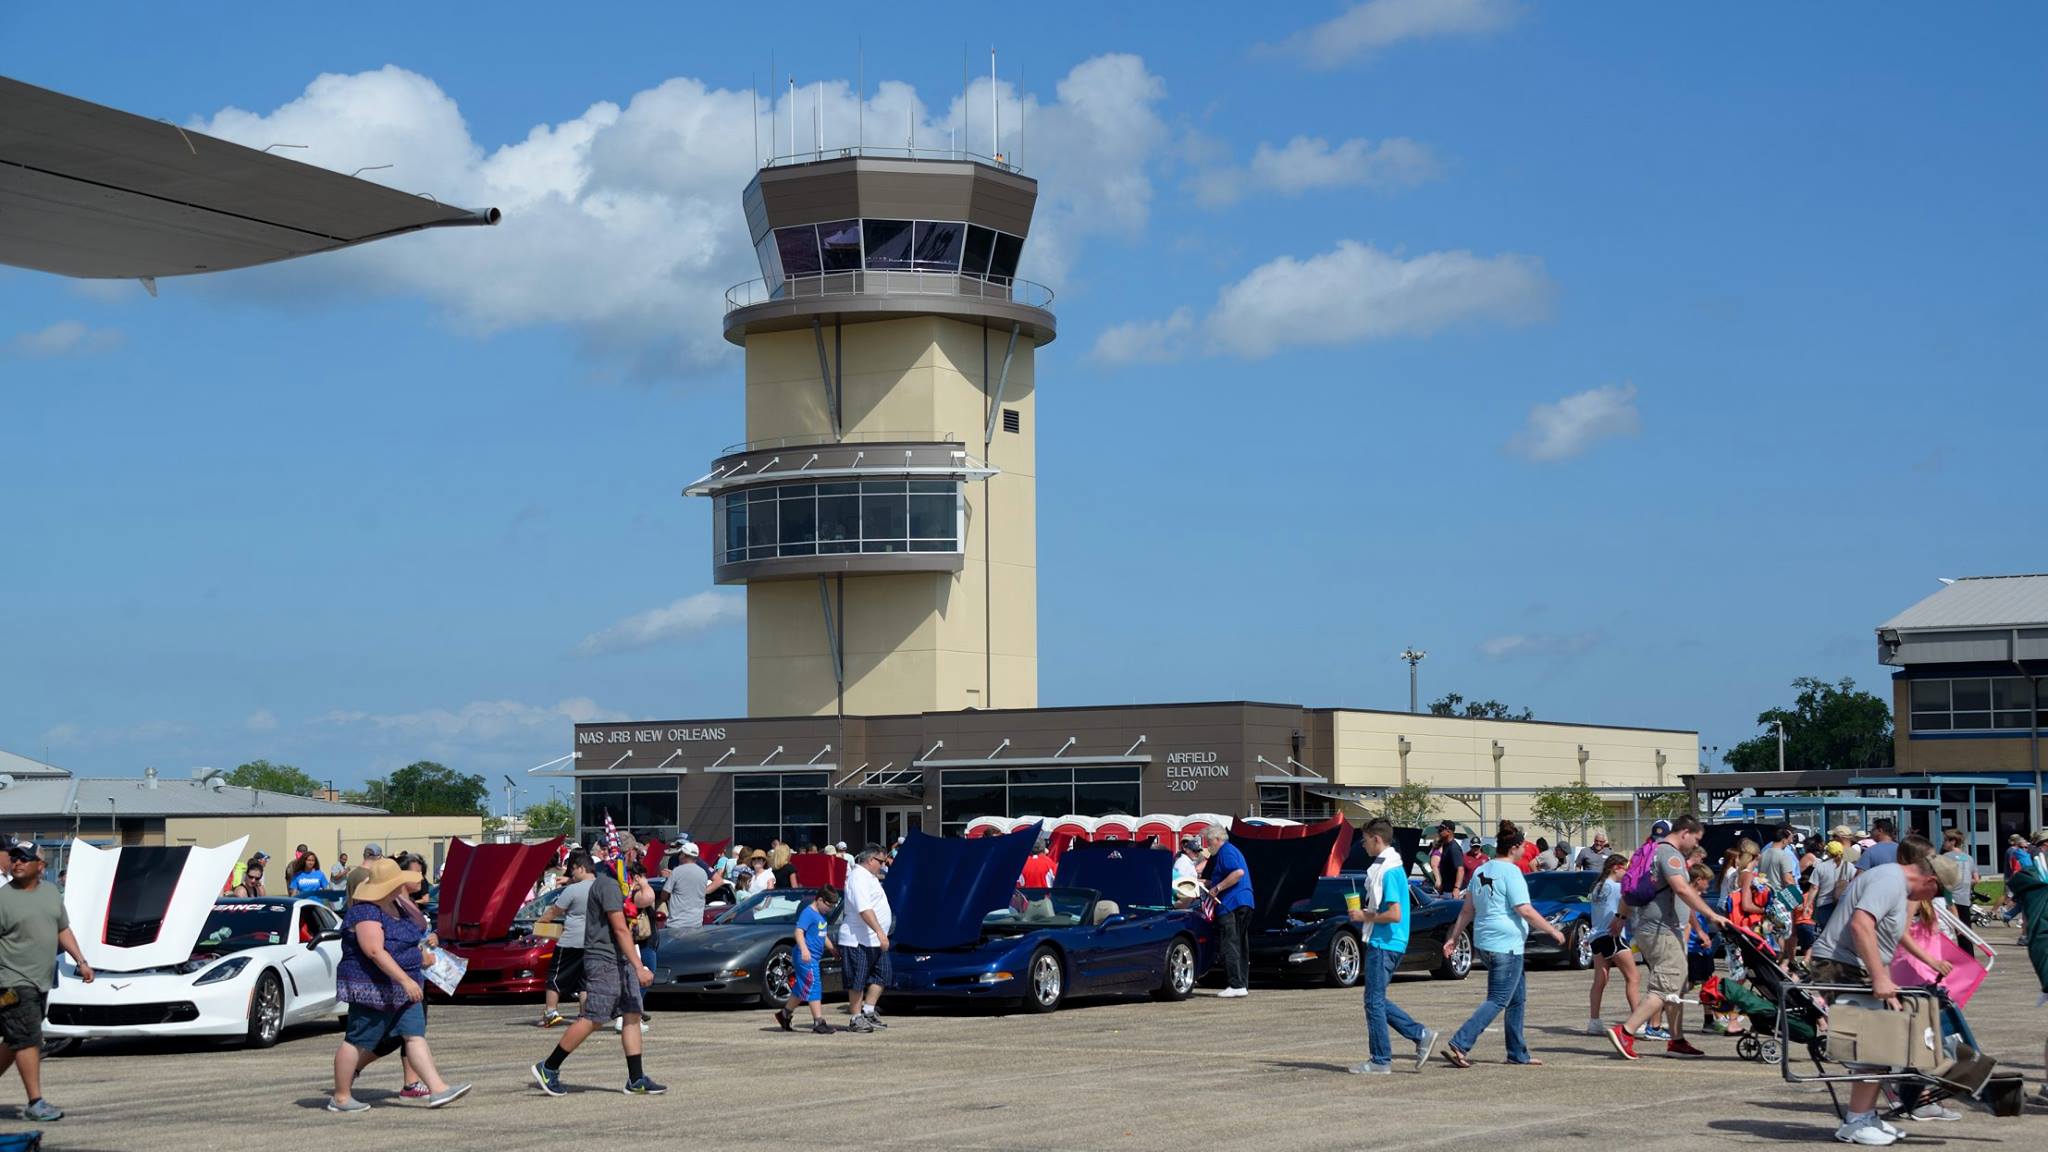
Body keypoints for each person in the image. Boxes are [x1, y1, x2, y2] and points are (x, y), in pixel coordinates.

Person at [1805, 858, 1947, 1146]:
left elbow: (1882, 936)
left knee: (1883, 1043)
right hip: (1840, 966)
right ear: (1931, 882)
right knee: (1872, 1046)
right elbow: (1861, 926)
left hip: (1850, 965)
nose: (1930, 900)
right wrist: (1879, 977)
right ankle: (1856, 1121)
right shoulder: (1890, 881)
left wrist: (1885, 978)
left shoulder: (1894, 882)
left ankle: (1865, 1115)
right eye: (1936, 894)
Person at [327, 858, 470, 1112]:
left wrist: (421, 957)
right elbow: (374, 951)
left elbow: (408, 940)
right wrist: (405, 979)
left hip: (405, 986)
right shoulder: (365, 911)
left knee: (414, 1035)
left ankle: (438, 1089)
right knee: (357, 1040)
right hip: (373, 988)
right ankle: (341, 1097)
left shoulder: (398, 906)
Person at [531, 843, 664, 1097]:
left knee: (632, 1013)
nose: (637, 857)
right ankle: (549, 1067)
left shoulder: (617, 884)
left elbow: (644, 902)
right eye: (633, 853)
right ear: (621, 855)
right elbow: (620, 929)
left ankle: (636, 1079)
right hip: (605, 960)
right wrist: (639, 967)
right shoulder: (607, 885)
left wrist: (640, 885)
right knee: (594, 1017)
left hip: (620, 958)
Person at [1605, 814, 1731, 1061]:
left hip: (1650, 928)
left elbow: (1631, 887)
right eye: (1696, 839)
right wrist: (1712, 915)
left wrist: (1621, 916)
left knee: (1676, 984)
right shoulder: (1670, 855)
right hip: (1662, 930)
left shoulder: (1649, 851)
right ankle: (1626, 1031)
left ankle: (1677, 1040)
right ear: (1685, 833)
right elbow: (1682, 889)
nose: (1695, 845)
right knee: (1665, 987)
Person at [1441, 822, 1564, 1067]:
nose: (1525, 850)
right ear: (1514, 848)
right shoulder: (1511, 872)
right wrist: (1552, 930)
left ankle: (1517, 1053)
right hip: (1505, 945)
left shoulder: (1481, 870)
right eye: (1523, 846)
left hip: (1486, 942)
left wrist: (1453, 937)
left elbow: (1467, 910)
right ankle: (1461, 1042)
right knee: (1498, 998)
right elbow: (1524, 909)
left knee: (1517, 998)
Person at [0, 842, 93, 1121]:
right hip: (12, 981)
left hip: (41, 980)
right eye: (14, 858)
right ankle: (35, 1102)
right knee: (29, 1038)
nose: (17, 862)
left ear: (40, 866)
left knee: (17, 1039)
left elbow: (61, 929)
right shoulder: (3, 899)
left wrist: (81, 961)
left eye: (24, 858)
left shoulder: (51, 893)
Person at [1347, 819, 1437, 1075]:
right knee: (1375, 1000)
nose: (1363, 845)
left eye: (1365, 840)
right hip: (1389, 942)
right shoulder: (1391, 867)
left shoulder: (1388, 871)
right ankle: (1419, 1035)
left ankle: (1382, 1058)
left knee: (1373, 1002)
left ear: (1377, 839)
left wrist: (1365, 916)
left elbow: (1394, 914)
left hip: (1385, 942)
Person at [391, 852, 443, 1099]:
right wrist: (419, 954)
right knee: (381, 1038)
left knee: (413, 1033)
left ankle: (412, 1084)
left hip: (417, 977)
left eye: (422, 872)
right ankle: (350, 1070)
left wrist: (433, 937)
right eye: (416, 872)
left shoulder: (412, 904)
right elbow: (395, 943)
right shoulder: (394, 905)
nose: (421, 877)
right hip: (401, 979)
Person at [538, 851, 596, 1028]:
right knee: (585, 982)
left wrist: (541, 923)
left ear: (582, 868)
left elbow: (554, 911)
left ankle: (551, 1012)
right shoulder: (602, 887)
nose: (572, 873)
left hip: (570, 940)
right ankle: (584, 1015)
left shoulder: (573, 890)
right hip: (593, 941)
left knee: (555, 977)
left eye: (574, 869)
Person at [839, 847, 894, 1033]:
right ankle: (855, 1018)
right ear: (870, 860)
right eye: (881, 862)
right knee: (857, 980)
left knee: (883, 974)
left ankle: (868, 1010)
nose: (883, 865)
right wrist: (880, 932)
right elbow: (864, 909)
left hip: (874, 940)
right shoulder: (858, 877)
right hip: (858, 939)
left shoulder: (870, 877)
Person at [1586, 852, 1640, 1034]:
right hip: (1612, 935)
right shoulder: (1617, 887)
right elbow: (1631, 903)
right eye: (1626, 869)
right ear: (1616, 868)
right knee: (1633, 977)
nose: (1627, 873)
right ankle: (1638, 1021)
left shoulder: (1597, 887)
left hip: (1596, 937)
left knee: (1600, 980)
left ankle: (1594, 1022)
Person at [775, 886, 841, 1035]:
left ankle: (784, 1014)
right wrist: (804, 949)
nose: (830, 909)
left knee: (803, 987)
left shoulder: (821, 915)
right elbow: (798, 932)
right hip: (806, 956)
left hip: (814, 957)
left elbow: (822, 934)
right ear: (820, 900)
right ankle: (819, 1022)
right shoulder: (808, 913)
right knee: (813, 985)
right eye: (829, 905)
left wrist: (832, 948)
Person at [1202, 825, 1254, 998]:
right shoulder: (1232, 851)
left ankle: (1235, 984)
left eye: (1209, 841)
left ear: (1218, 839)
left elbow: (1238, 873)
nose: (1208, 845)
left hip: (1231, 904)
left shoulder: (1225, 852)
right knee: (1240, 944)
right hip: (1245, 902)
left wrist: (1217, 888)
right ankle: (1242, 984)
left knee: (1229, 944)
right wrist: (1208, 883)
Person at [664, 841, 714, 933]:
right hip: (696, 925)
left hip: (676, 925)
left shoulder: (677, 871)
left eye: (680, 854)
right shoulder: (703, 873)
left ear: (684, 855)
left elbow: (664, 895)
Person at [1430, 822, 1467, 897]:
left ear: (1448, 831)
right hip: (1447, 889)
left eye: (1441, 830)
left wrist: (1456, 888)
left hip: (1453, 891)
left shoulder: (1453, 848)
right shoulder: (1446, 845)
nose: (1439, 833)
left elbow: (1460, 869)